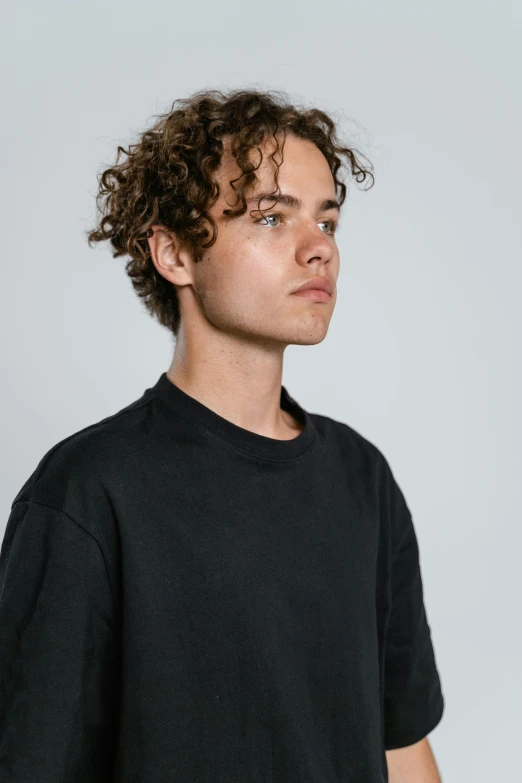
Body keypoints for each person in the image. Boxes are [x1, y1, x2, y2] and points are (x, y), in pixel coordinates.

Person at [0, 88, 445, 782]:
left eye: (327, 221)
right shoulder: (87, 492)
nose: (318, 249)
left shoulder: (363, 479)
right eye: (271, 217)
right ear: (174, 252)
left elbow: (401, 746)